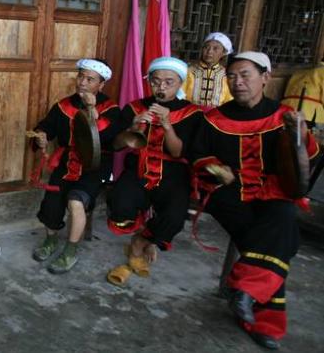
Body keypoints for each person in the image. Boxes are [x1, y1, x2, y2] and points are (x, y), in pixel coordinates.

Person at [192, 52, 319, 350]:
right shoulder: (214, 118)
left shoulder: (283, 116)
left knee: (281, 220)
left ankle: (245, 293)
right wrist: (214, 167)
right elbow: (197, 156)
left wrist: (300, 133)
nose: (238, 82)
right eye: (232, 76)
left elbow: (305, 160)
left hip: (272, 190)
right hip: (227, 192)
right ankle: (262, 321)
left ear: (265, 77)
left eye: (245, 75)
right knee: (278, 240)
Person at [106, 57, 202, 287]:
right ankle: (145, 233)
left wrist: (167, 124)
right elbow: (117, 145)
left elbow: (179, 153)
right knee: (119, 202)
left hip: (173, 172)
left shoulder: (191, 113)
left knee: (175, 216)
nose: (161, 87)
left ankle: (140, 241)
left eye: (169, 82)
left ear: (180, 83)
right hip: (139, 167)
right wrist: (133, 127)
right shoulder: (134, 107)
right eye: (156, 81)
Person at [30, 58, 121, 274]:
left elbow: (106, 136)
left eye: (90, 79)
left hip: (94, 165)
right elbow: (46, 127)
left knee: (76, 201)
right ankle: (50, 241)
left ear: (101, 85)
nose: (82, 82)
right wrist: (41, 136)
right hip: (66, 161)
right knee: (51, 204)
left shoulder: (111, 109)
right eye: (81, 76)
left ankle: (70, 251)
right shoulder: (63, 105)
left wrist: (91, 109)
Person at [182, 32, 234, 108]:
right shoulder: (189, 71)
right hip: (190, 113)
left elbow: (229, 100)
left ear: (224, 53)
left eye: (215, 48)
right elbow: (180, 95)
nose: (209, 51)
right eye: (206, 47)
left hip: (216, 117)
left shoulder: (226, 75)